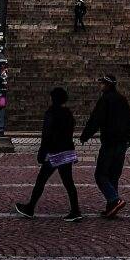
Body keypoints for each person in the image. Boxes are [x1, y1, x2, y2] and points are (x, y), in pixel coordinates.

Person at [14, 87, 83, 222]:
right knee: (69, 182)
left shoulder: (51, 113)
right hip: (67, 151)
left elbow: (46, 135)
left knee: (41, 180)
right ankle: (75, 210)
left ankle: (30, 208)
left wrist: (42, 152)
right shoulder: (68, 113)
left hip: (54, 152)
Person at [81, 74, 130, 218]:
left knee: (100, 175)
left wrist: (85, 136)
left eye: (103, 83)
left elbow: (95, 120)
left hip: (110, 142)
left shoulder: (105, 100)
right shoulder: (122, 99)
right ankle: (112, 208)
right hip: (122, 143)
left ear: (108, 85)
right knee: (113, 176)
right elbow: (129, 119)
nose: (101, 85)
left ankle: (115, 200)